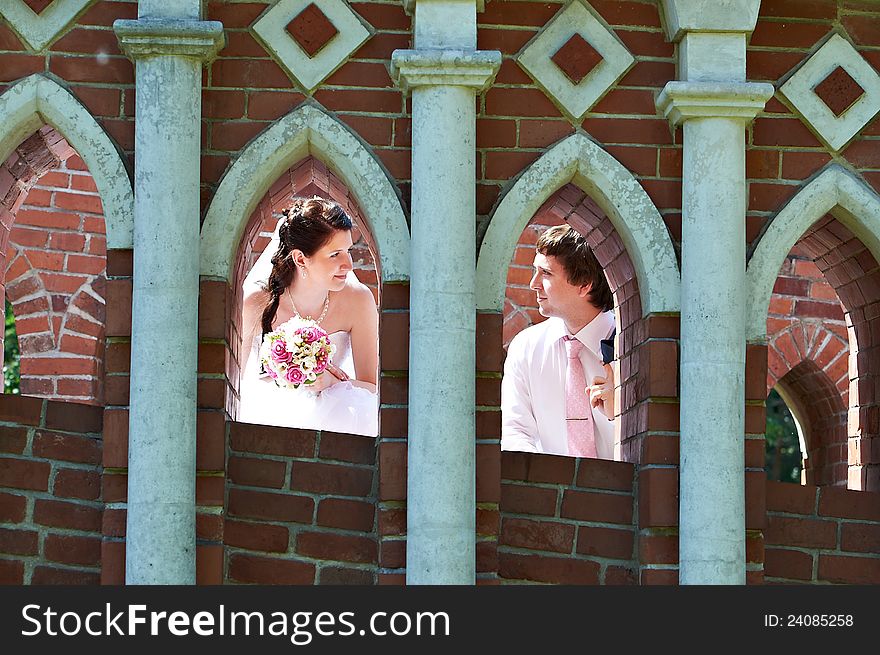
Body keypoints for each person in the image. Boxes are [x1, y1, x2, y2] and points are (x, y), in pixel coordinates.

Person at [239, 197, 379, 437]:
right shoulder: (256, 302)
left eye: (348, 251)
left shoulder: (358, 300)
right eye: (335, 254)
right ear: (301, 258)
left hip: (335, 424)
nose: (348, 264)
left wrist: (330, 382)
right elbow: (232, 383)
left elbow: (373, 389)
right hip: (264, 419)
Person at [501, 224, 617, 459]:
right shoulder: (526, 347)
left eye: (546, 273)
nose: (533, 283)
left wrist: (620, 415)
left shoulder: (629, 347)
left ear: (584, 284)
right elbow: (516, 434)